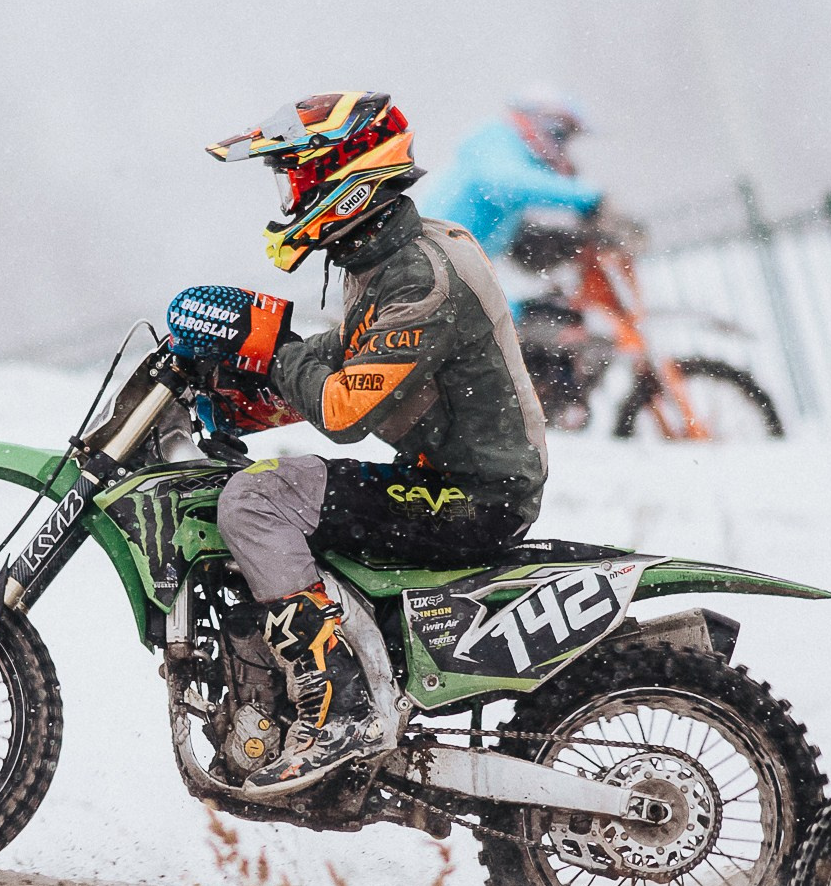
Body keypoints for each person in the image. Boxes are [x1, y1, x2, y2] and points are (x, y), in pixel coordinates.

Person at [163, 92, 548, 792]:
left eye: (297, 177)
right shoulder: (386, 255)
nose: (288, 195)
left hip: (474, 499)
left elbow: (343, 405)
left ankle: (341, 703)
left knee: (255, 503)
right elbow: (348, 362)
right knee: (273, 487)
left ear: (344, 177)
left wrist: (272, 347)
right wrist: (235, 389)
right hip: (450, 480)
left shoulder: (419, 276)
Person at [423, 99, 605, 258]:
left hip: (435, 272)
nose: (562, 153)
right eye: (560, 135)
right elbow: (504, 183)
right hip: (427, 266)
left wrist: (526, 300)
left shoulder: (510, 159)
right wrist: (590, 198)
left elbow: (473, 282)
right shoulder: (497, 139)